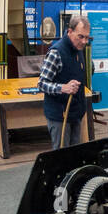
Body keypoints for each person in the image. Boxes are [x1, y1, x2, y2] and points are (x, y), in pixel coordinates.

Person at [39, 15, 91, 150]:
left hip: (75, 114)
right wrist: (63, 88)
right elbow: (41, 83)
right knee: (61, 157)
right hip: (59, 117)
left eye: (87, 37)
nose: (84, 41)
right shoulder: (56, 52)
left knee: (74, 155)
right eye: (81, 36)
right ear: (69, 32)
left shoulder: (79, 50)